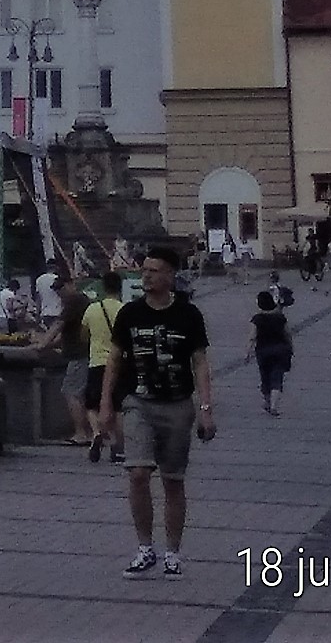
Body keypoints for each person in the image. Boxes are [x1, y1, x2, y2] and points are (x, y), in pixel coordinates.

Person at [99, 245, 214, 579]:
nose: (145, 275)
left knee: (173, 482)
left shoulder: (189, 315)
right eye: (144, 270)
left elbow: (200, 362)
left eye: (153, 270)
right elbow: (114, 359)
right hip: (138, 403)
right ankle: (145, 548)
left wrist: (206, 409)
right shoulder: (130, 314)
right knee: (137, 473)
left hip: (178, 406)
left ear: (170, 276)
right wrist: (106, 404)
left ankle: (172, 552)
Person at [81, 281, 126, 463]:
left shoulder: (92, 309)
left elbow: (83, 335)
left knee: (91, 405)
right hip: (119, 364)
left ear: (103, 289)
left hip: (96, 362)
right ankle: (118, 446)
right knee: (118, 408)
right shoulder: (124, 309)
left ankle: (97, 432)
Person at [248, 290, 291, 415]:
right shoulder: (280, 317)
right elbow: (288, 334)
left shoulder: (257, 319)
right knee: (277, 377)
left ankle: (267, 401)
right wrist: (291, 347)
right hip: (280, 350)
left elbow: (252, 336)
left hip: (263, 351)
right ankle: (273, 406)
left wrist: (248, 351)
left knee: (265, 377)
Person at [58, 291, 93, 445]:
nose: (59, 293)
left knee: (71, 392)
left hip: (78, 356)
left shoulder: (73, 300)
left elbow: (58, 325)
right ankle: (92, 432)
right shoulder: (84, 303)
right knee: (83, 395)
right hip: (86, 354)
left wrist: (42, 344)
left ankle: (81, 433)